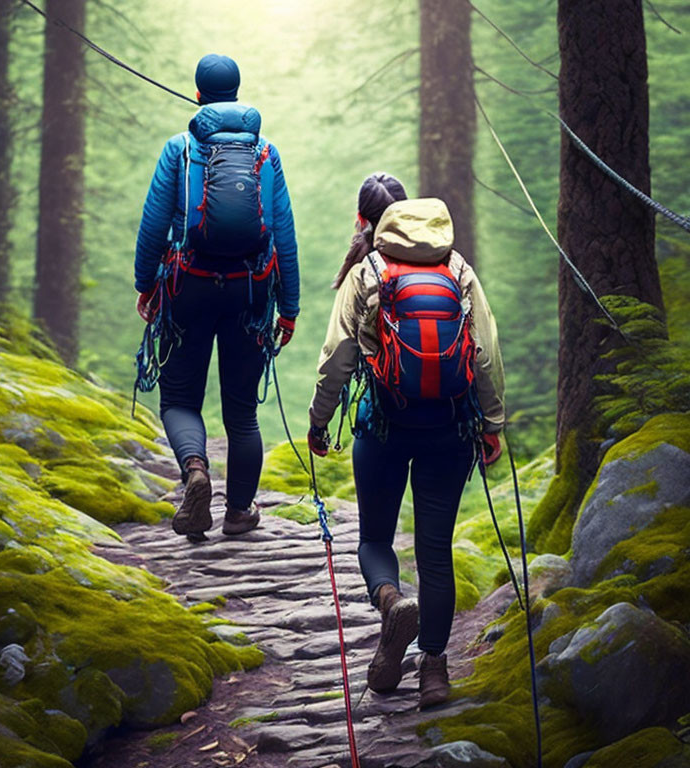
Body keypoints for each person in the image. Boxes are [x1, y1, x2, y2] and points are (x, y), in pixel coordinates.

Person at [308, 194, 504, 710]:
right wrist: (492, 423)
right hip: (450, 426)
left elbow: (338, 358)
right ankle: (434, 672)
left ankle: (391, 601)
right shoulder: (458, 269)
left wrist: (319, 420)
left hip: (385, 425)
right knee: (435, 551)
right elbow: (484, 351)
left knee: (374, 538)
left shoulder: (367, 271)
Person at [134, 53, 299, 540]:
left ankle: (196, 470)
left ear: (199, 94)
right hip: (250, 292)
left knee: (180, 397)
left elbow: (153, 226)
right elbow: (284, 236)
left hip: (187, 286)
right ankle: (239, 512)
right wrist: (288, 309)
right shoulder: (266, 153)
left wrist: (146, 285)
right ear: (238, 91)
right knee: (242, 410)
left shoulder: (180, 149)